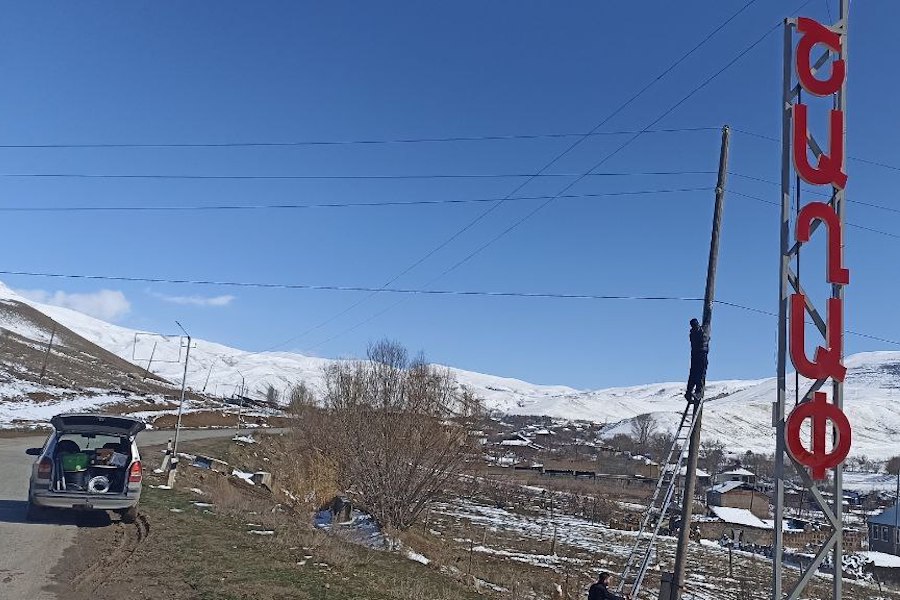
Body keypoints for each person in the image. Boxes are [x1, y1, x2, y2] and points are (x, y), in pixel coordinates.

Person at [685, 318, 708, 402]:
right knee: (700, 373)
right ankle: (698, 392)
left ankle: (689, 392)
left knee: (693, 374)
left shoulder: (692, 334)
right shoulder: (701, 332)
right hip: (701, 354)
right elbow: (706, 326)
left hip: (694, 355)